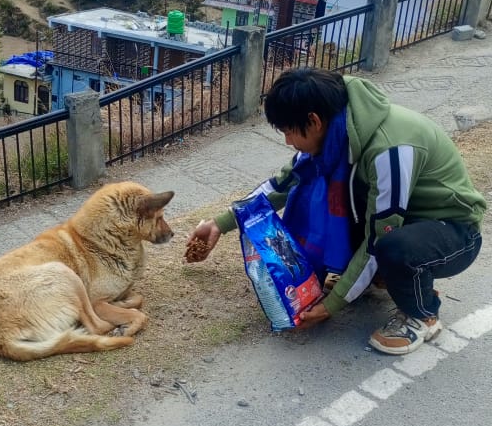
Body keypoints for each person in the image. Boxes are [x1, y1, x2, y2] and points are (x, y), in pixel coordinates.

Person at [186, 68, 486, 355]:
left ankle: (422, 314)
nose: (288, 141)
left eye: (289, 131)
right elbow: (283, 184)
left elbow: (380, 235)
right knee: (331, 198)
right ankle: (381, 277)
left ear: (314, 121)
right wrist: (221, 223)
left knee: (393, 248)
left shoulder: (389, 150)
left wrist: (333, 304)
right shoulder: (335, 130)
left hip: (454, 232)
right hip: (404, 218)